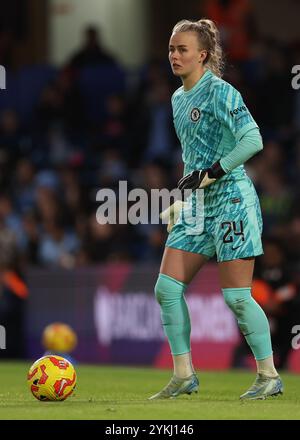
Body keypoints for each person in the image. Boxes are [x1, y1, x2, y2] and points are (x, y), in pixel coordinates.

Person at [149, 19, 283, 400]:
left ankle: (269, 375)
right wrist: (185, 199)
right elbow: (194, 155)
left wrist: (213, 173)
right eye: (172, 49)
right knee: (167, 288)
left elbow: (252, 138)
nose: (174, 55)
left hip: (231, 201)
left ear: (203, 55)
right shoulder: (178, 98)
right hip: (200, 205)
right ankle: (184, 375)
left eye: (182, 50)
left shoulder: (221, 92)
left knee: (237, 297)